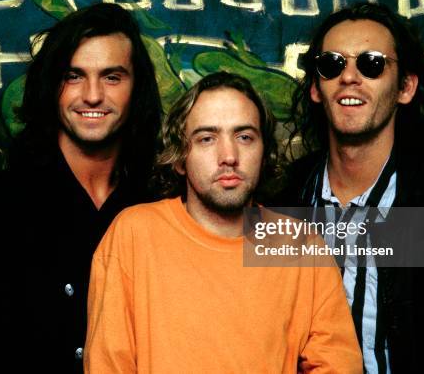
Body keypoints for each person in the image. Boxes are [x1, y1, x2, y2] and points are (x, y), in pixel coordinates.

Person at [85, 72, 363, 373]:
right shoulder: (134, 235)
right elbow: (108, 365)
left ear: (264, 152)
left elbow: (338, 366)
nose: (228, 156)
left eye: (244, 137)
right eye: (207, 138)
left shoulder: (302, 246)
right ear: (180, 157)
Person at [271, 2, 424, 373]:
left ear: (405, 87)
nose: (349, 77)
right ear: (315, 87)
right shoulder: (282, 198)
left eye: (372, 64)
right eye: (332, 64)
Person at [0, 3, 162, 373]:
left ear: (136, 88)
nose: (92, 95)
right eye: (74, 76)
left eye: (112, 77)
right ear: (50, 86)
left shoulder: (161, 208)